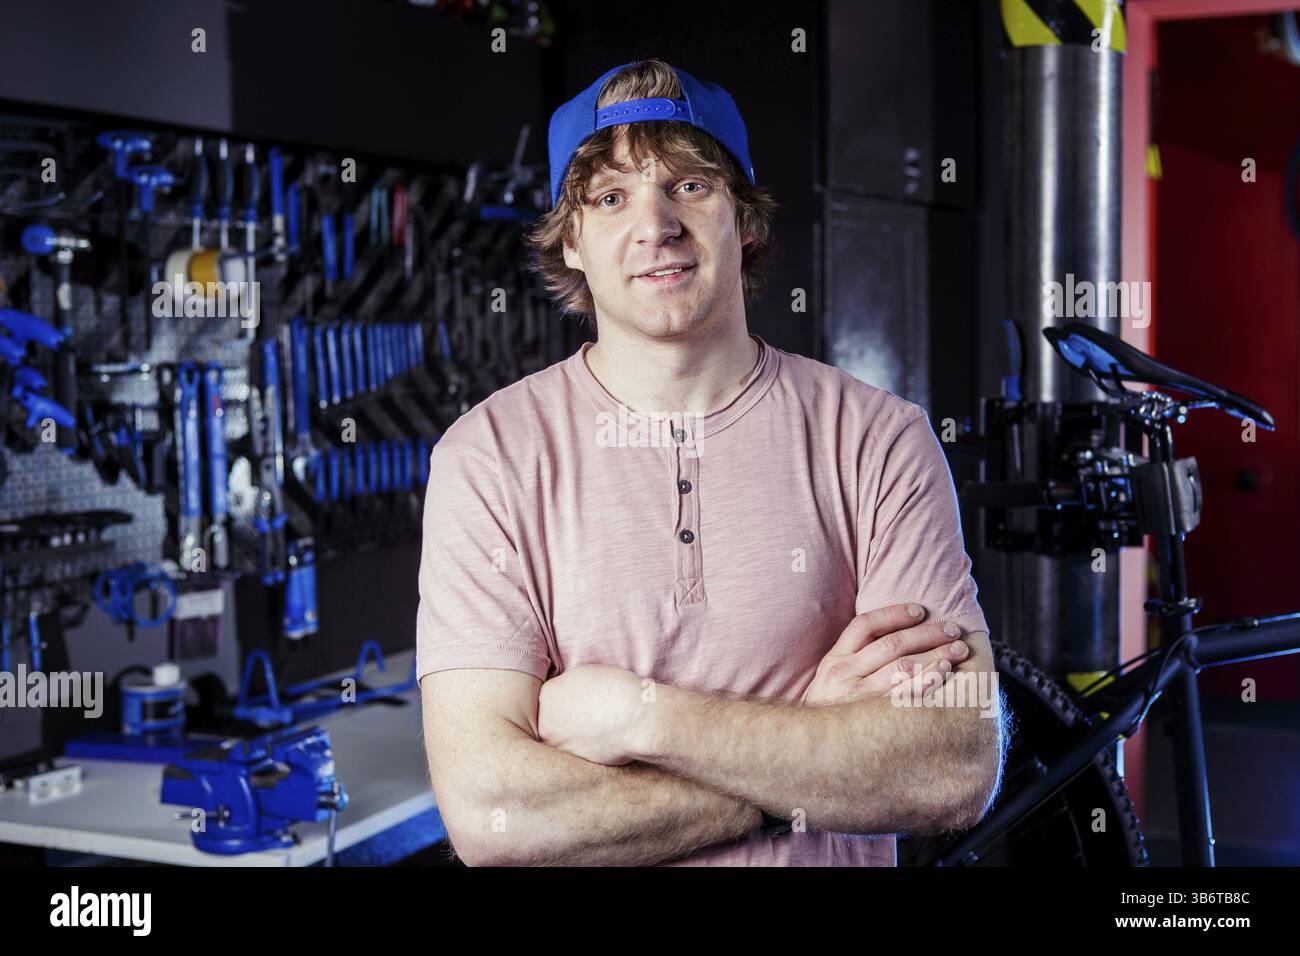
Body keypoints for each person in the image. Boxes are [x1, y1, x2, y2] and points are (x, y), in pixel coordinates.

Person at [416, 58, 1005, 866]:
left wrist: (639, 717)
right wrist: (815, 735)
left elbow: (952, 765)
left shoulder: (878, 440)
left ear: (747, 221)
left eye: (689, 186)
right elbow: (492, 817)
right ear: (573, 243)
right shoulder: (489, 459)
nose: (655, 225)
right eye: (612, 197)